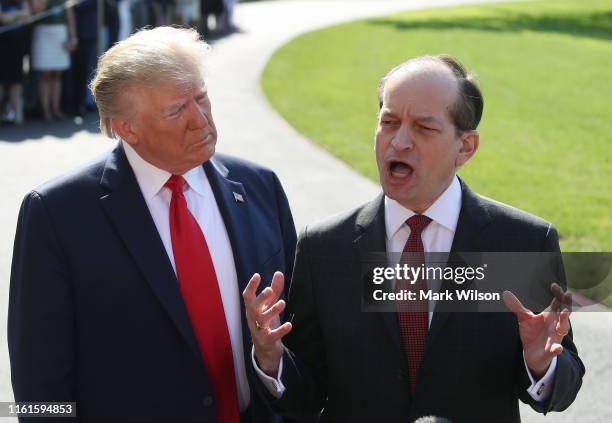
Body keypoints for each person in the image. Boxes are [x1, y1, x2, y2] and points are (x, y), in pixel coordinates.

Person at [244, 55, 584, 422]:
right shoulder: (323, 248)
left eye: (423, 128)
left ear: (465, 147)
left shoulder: (522, 242)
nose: (400, 141)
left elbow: (562, 383)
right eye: (389, 122)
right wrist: (272, 358)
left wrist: (540, 364)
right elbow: (306, 394)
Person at [9, 26, 296, 422]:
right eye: (177, 109)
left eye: (202, 97)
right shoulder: (56, 214)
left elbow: (301, 333)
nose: (201, 120)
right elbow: (39, 384)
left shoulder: (260, 186)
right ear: (126, 127)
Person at [30, 0, 77, 121]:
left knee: (57, 74)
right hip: (43, 32)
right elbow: (36, 10)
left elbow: (69, 13)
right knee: (44, 74)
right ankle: (46, 110)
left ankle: (55, 108)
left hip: (60, 33)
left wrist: (73, 36)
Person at [0, 0, 30, 125]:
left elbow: (27, 16)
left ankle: (16, 115)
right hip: (2, 44)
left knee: (16, 80)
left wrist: (12, 16)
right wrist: (18, 15)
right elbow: (3, 19)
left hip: (17, 45)